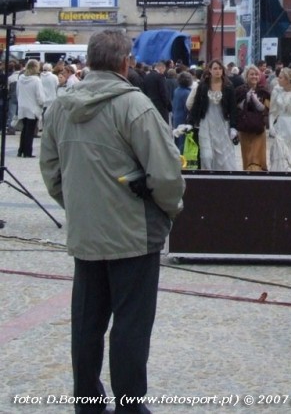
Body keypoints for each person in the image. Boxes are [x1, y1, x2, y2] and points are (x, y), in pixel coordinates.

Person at [39, 29, 185, 413]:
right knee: (131, 327)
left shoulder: (60, 106)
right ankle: (130, 405)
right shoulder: (134, 107)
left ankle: (87, 401)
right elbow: (167, 174)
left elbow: (50, 170)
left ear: (89, 60)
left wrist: (75, 205)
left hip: (87, 232)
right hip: (133, 232)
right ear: (125, 63)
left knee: (87, 325)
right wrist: (168, 210)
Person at [186, 59, 239, 171]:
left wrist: (233, 127)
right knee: (206, 156)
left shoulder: (228, 87)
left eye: (220, 68)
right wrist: (190, 123)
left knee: (223, 158)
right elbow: (196, 106)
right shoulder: (203, 86)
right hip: (206, 124)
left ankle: (224, 182)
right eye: (215, 68)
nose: (218, 71)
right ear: (209, 70)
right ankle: (208, 180)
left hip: (222, 124)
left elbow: (233, 108)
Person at [234, 65, 271, 171]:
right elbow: (236, 109)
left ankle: (258, 177)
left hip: (259, 128)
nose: (254, 76)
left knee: (256, 155)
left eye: (256, 74)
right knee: (247, 155)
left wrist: (256, 100)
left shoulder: (264, 91)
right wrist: (246, 99)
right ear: (246, 76)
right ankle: (248, 178)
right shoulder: (239, 91)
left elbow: (266, 109)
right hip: (245, 128)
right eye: (251, 74)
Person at [16, 59, 45, 158]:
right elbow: (40, 96)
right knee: (30, 131)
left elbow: (17, 92)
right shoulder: (36, 80)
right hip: (33, 108)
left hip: (22, 106)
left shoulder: (20, 78)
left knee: (24, 130)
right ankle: (28, 151)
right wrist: (42, 104)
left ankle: (21, 150)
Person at [171, 71, 193, 153]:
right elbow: (188, 108)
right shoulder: (187, 93)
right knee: (183, 141)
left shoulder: (177, 90)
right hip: (183, 119)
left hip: (176, 117)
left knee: (177, 139)